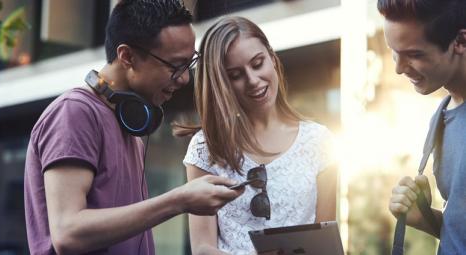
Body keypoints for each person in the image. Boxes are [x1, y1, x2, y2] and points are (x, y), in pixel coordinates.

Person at [23, 1, 244, 254]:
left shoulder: (131, 130)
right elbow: (67, 233)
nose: (184, 79)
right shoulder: (74, 113)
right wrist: (179, 200)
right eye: (174, 66)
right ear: (127, 56)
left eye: (188, 64)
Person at [175, 17, 338, 255]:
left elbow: (325, 243)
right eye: (235, 75)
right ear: (222, 83)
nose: (252, 80)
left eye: (258, 63)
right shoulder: (205, 146)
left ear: (272, 58)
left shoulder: (319, 141)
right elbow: (202, 248)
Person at [379, 0, 466, 253]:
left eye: (415, 55)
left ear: (460, 41)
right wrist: (422, 217)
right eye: (394, 52)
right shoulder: (440, 118)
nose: (398, 68)